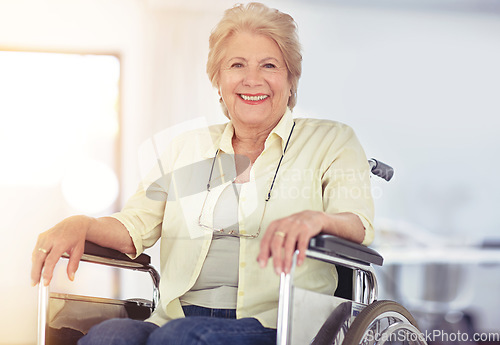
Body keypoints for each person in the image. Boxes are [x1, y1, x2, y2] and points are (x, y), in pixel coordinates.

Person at [31, 2, 374, 344]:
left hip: (278, 324)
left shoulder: (330, 140)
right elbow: (134, 227)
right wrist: (81, 224)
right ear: (218, 79)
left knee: (184, 338)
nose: (252, 79)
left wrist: (317, 220)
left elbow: (357, 222)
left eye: (269, 65)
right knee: (108, 336)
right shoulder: (189, 150)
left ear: (290, 79)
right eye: (236, 64)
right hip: (175, 317)